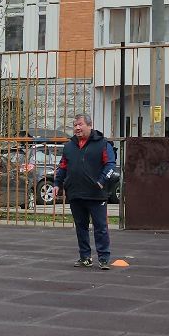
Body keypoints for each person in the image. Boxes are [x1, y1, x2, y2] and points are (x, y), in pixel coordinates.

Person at [54, 115, 117, 268]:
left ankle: (103, 258)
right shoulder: (69, 146)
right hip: (75, 193)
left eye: (80, 124)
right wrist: (57, 183)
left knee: (100, 227)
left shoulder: (103, 144)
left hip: (96, 194)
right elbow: (62, 166)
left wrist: (101, 181)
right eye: (75, 125)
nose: (77, 128)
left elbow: (110, 165)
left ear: (89, 125)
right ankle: (85, 257)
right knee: (81, 227)